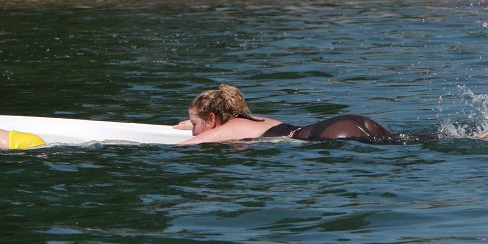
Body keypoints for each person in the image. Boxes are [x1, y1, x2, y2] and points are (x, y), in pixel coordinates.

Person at [173, 84, 429, 145]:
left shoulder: (229, 130)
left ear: (214, 120)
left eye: (196, 123)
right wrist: (190, 124)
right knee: (402, 144)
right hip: (350, 121)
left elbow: (192, 144)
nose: (193, 128)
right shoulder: (252, 120)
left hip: (328, 134)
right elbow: (207, 128)